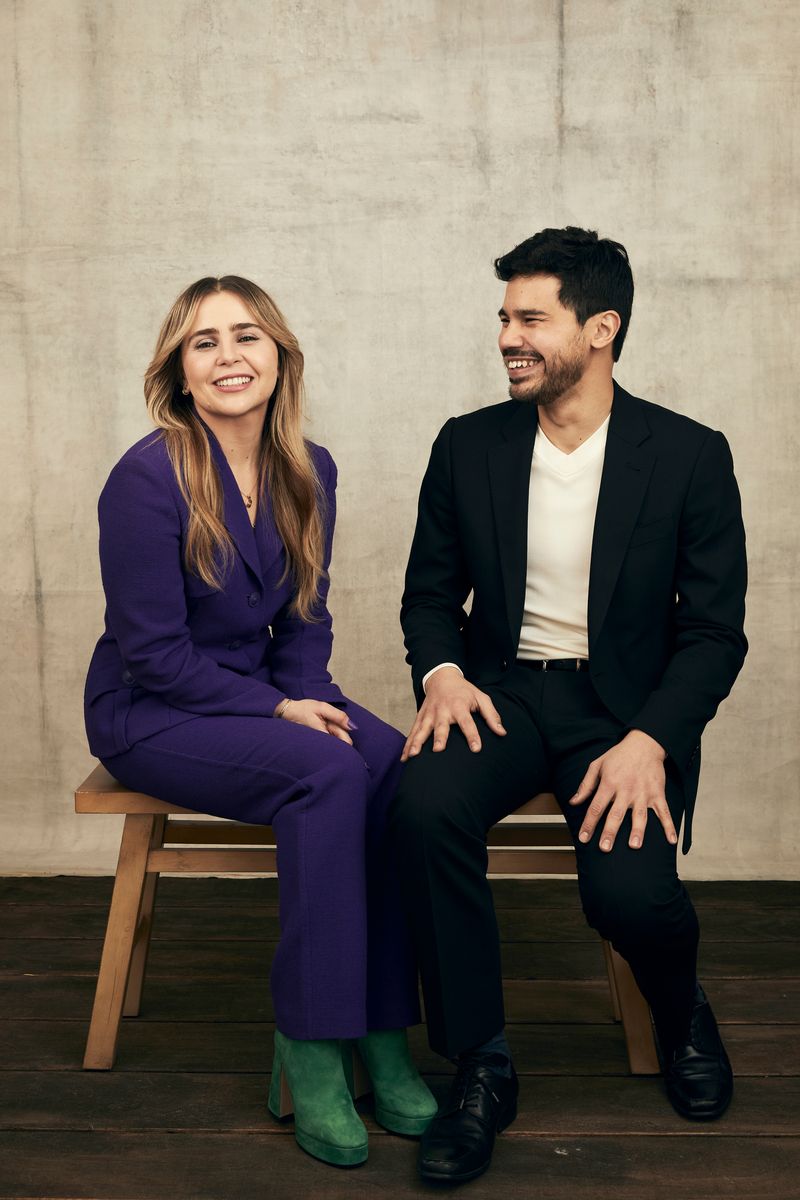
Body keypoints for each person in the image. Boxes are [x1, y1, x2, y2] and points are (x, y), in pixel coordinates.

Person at [390, 227, 747, 1184]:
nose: (507, 334)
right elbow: (431, 597)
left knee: (630, 897)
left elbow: (713, 633)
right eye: (505, 316)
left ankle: (683, 1016)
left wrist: (653, 743)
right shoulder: (468, 446)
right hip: (498, 696)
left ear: (600, 329)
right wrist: (443, 675)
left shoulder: (686, 455)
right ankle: (481, 1062)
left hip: (623, 712)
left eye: (530, 318)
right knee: (420, 807)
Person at [84, 275, 436, 1167]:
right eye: (204, 343)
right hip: (150, 710)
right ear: (180, 370)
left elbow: (305, 622)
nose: (228, 357)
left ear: (280, 356)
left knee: (391, 759)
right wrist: (283, 709)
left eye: (246, 336)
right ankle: (313, 1047)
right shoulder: (145, 476)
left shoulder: (308, 468)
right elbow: (154, 654)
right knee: (323, 772)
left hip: (256, 691)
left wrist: (306, 694)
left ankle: (384, 1031)